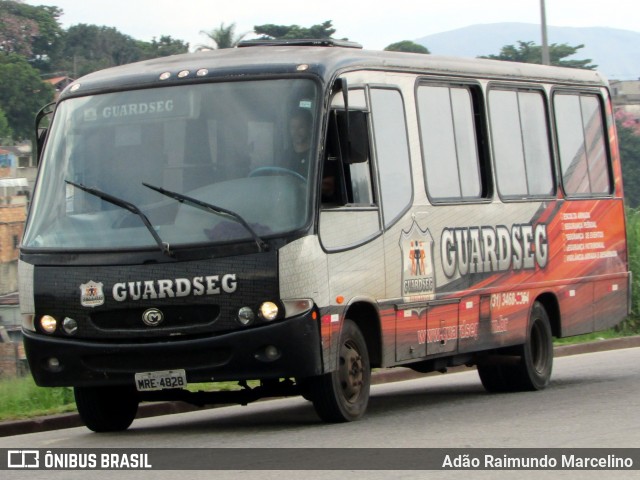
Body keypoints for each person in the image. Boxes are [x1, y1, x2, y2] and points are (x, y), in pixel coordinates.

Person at [285, 109, 312, 176]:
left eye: (301, 127)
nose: (296, 132)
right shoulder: (286, 155)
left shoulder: (317, 156)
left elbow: (327, 184)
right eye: (293, 127)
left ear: (309, 128)